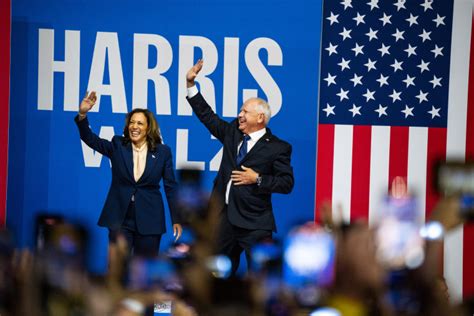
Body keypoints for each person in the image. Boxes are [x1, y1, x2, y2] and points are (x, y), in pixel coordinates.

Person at [185, 60, 294, 274]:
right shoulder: (233, 133)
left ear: (260, 118)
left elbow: (286, 183)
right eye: (240, 111)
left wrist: (258, 179)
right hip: (223, 221)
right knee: (215, 277)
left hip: (254, 224)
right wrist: (190, 84)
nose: (239, 115)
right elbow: (207, 116)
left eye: (245, 111)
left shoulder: (279, 148)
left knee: (259, 278)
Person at [75, 91, 182, 258]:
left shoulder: (162, 152)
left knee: (144, 270)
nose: (134, 127)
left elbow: (170, 186)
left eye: (140, 123)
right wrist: (83, 114)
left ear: (148, 128)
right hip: (121, 217)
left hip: (150, 218)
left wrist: (177, 218)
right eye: (132, 122)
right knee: (117, 268)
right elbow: (90, 139)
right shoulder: (118, 145)